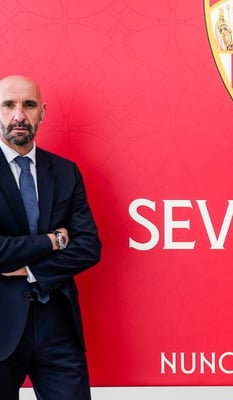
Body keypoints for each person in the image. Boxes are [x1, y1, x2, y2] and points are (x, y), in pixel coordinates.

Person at [0, 75, 101, 399]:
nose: (19, 115)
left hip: (57, 327)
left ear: (41, 113)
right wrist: (53, 241)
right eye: (8, 105)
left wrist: (32, 270)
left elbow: (88, 246)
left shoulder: (65, 172)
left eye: (28, 105)